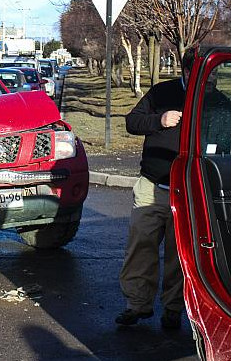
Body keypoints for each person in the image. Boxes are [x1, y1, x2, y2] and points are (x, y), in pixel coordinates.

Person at [115, 49, 195, 329]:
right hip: (152, 185)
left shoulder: (214, 99)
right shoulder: (162, 92)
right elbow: (131, 121)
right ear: (185, 72)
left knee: (178, 255)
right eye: (192, 73)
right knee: (141, 246)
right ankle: (137, 305)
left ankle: (172, 310)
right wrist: (159, 121)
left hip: (188, 191)